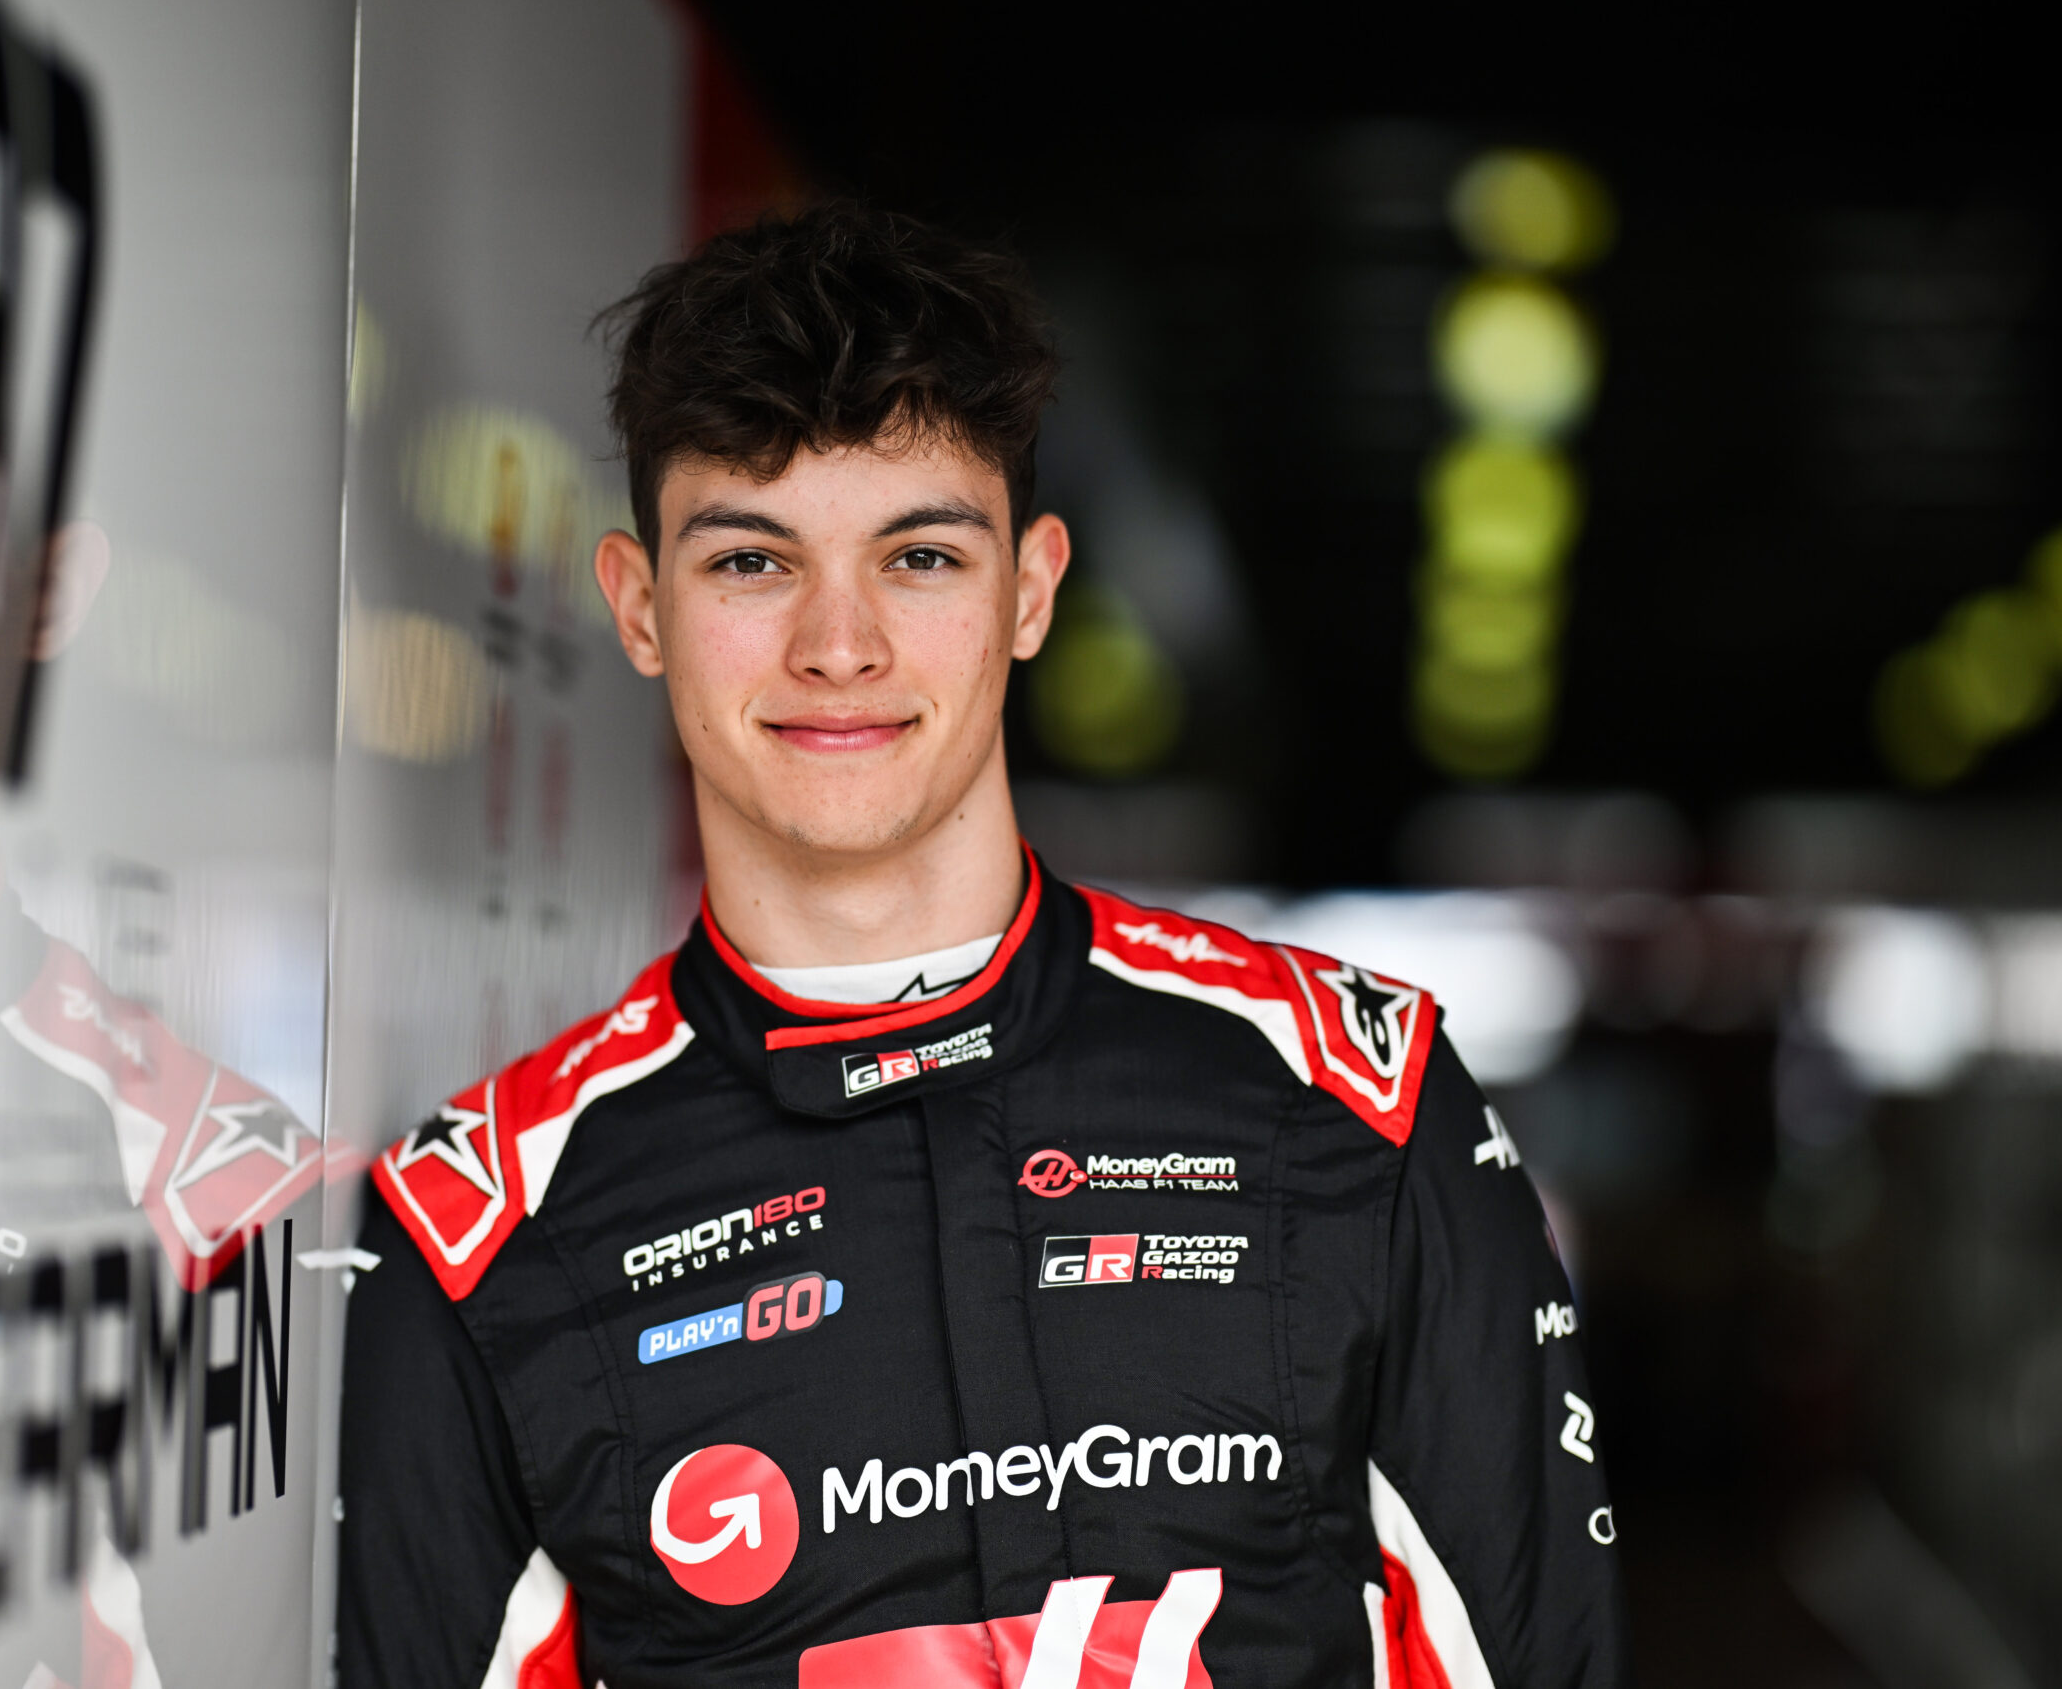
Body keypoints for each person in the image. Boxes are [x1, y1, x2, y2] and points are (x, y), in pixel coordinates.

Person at [337, 203, 1628, 1689]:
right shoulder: (477, 1226)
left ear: (1031, 590)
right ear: (640, 608)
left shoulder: (1358, 1096)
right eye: (752, 563)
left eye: (922, 558)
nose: (840, 644)